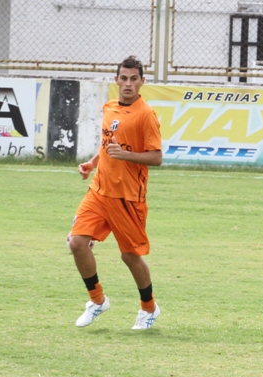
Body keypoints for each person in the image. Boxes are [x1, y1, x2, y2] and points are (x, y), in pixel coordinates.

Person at [69, 55, 163, 329]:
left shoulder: (146, 115)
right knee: (77, 243)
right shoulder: (109, 108)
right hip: (98, 190)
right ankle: (97, 300)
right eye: (124, 78)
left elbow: (156, 157)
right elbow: (108, 145)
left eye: (134, 79)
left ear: (142, 82)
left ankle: (149, 307)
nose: (128, 84)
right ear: (116, 80)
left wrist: (124, 155)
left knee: (130, 256)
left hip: (128, 197)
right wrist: (93, 162)